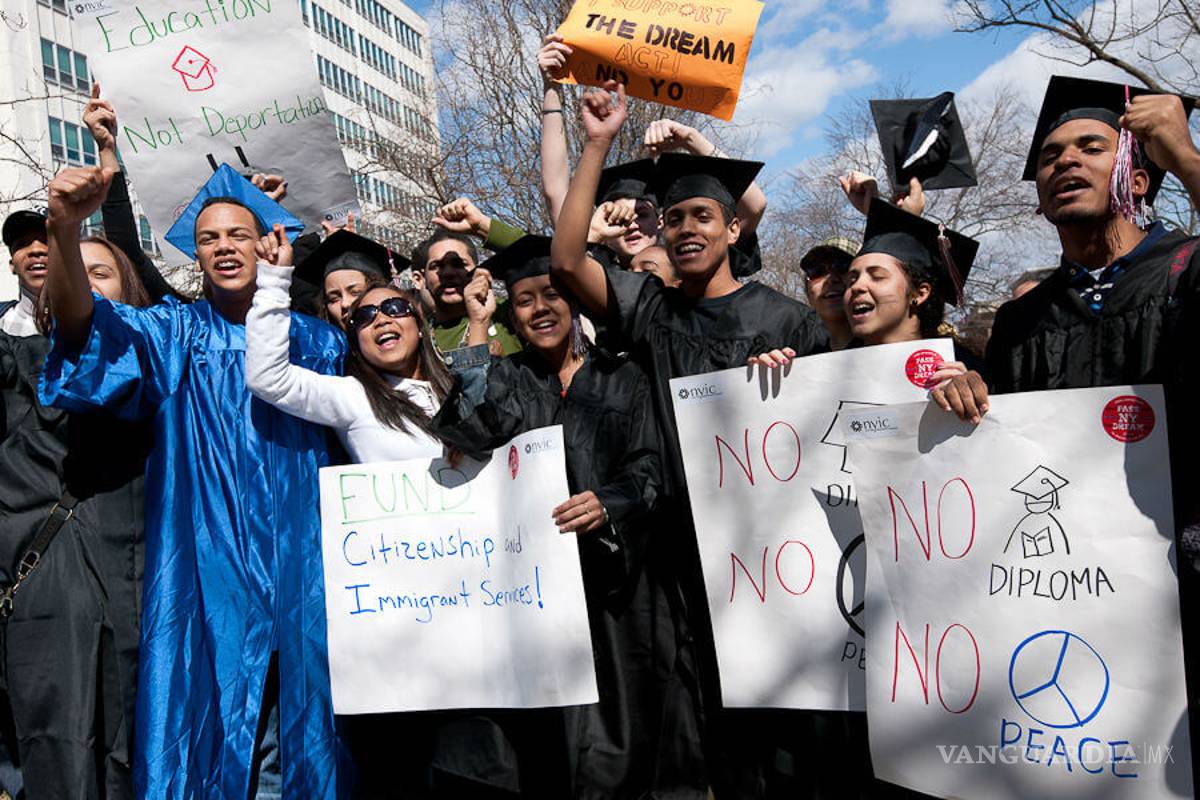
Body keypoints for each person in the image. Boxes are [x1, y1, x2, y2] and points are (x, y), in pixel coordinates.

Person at [550, 81, 829, 797]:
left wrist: (793, 382)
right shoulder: (651, 312)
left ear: (734, 229)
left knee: (784, 741)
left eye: (703, 215)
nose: (686, 229)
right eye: (672, 218)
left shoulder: (790, 322)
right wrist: (598, 143)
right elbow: (566, 261)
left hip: (778, 563)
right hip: (679, 564)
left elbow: (834, 429)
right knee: (696, 738)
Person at [36, 164, 349, 799]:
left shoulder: (318, 342)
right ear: (195, 253)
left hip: (305, 563)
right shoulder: (172, 335)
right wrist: (66, 229)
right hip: (205, 571)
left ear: (268, 242)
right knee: (209, 724)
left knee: (302, 737)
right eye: (209, 238)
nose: (225, 246)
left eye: (240, 233)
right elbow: (81, 327)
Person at [930, 77, 1200, 784]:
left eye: (1090, 146)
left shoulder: (1186, 271)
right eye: (1049, 155)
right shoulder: (1023, 320)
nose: (1064, 162)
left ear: (1137, 174)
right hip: (1072, 596)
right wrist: (969, 395)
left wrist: (1188, 153)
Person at [433, 235, 693, 798]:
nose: (540, 308)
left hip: (621, 590)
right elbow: (468, 428)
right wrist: (478, 325)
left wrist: (611, 503)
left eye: (552, 294)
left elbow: (653, 464)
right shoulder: (511, 379)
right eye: (523, 300)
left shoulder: (624, 375)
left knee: (628, 737)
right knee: (551, 747)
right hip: (539, 594)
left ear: (575, 302)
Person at [0, 227, 153, 800]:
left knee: (138, 748)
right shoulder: (19, 369)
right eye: (74, 276)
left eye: (102, 273)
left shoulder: (165, 370)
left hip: (147, 592)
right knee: (60, 755)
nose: (86, 287)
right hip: (51, 593)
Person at [246, 227, 449, 461]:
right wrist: (273, 280)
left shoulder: (457, 386)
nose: (381, 320)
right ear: (356, 341)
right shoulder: (354, 396)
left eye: (394, 308)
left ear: (419, 324)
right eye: (364, 316)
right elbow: (269, 378)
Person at [412, 228, 523, 357]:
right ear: (422, 278)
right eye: (437, 266)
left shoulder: (505, 313)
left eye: (458, 264)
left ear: (477, 270)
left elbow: (539, 253)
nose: (448, 273)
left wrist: (482, 226)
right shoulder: (418, 335)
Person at [800, 236, 858, 350]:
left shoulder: (893, 348)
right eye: (817, 271)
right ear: (808, 293)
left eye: (843, 267)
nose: (831, 279)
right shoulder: (805, 359)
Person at [1, 210, 48, 337]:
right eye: (22, 244)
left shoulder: (96, 320)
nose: (37, 250)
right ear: (12, 266)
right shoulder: (3, 323)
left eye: (46, 242)